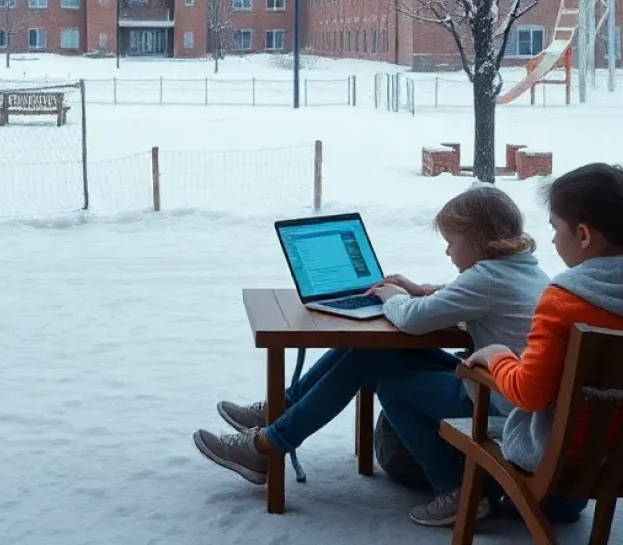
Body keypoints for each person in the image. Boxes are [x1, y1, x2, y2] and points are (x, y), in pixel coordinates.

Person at [193, 186, 549, 527]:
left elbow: (413, 319)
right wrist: (421, 291)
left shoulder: (485, 280)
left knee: (389, 381)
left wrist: (392, 298)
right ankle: (277, 419)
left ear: (478, 240)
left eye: (451, 243)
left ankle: (454, 491)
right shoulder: (520, 268)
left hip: (502, 400)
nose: (447, 253)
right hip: (508, 387)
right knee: (374, 351)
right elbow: (464, 298)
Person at [465, 164, 623, 517]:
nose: (551, 240)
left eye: (554, 228)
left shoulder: (565, 301)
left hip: (573, 459)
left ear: (583, 234)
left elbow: (528, 393)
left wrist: (497, 354)